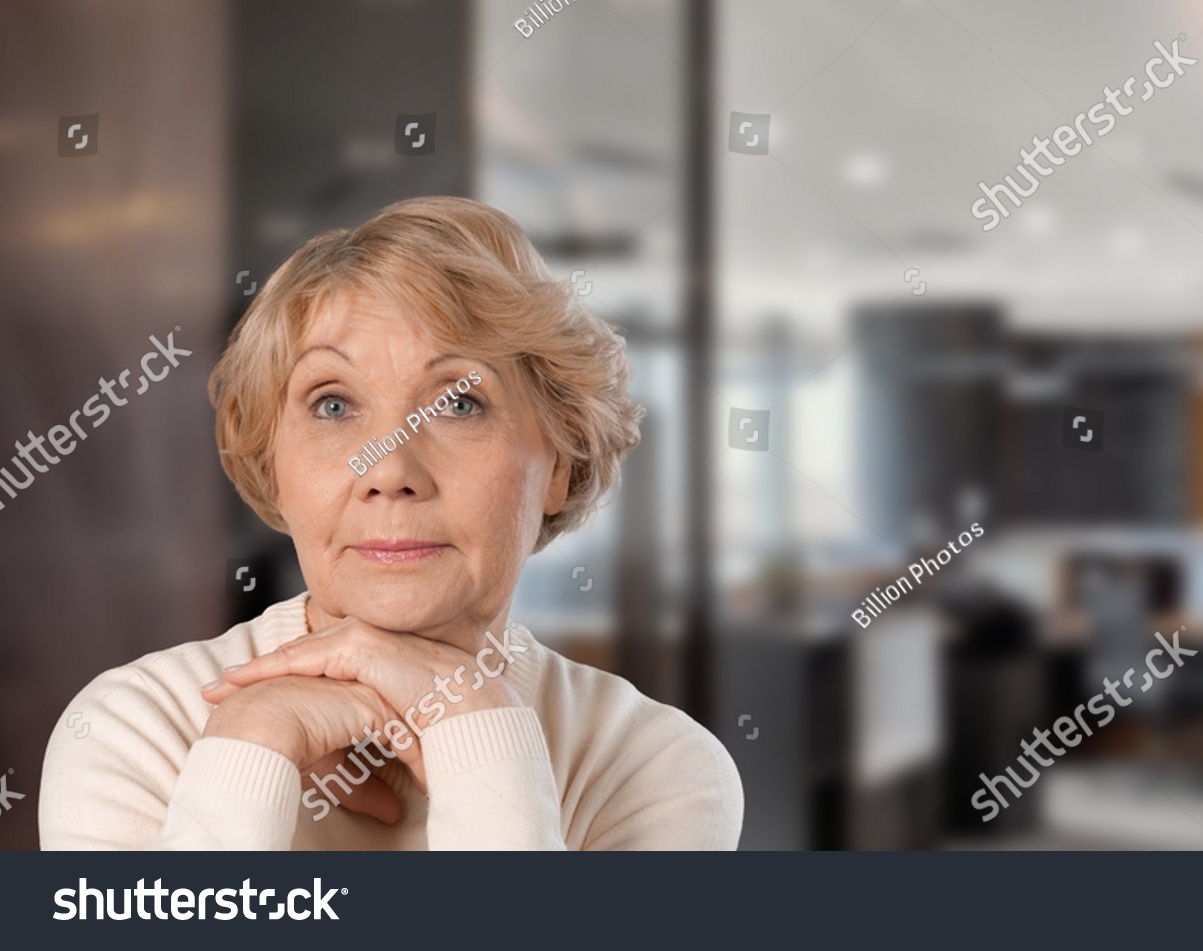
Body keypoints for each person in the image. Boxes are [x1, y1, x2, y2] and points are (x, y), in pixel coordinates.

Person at [38, 196, 742, 850]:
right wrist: (247, 749)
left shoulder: (654, 764)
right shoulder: (132, 728)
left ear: (558, 462)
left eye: (460, 404)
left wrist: (476, 726)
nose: (389, 468)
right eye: (333, 404)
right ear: (274, 462)